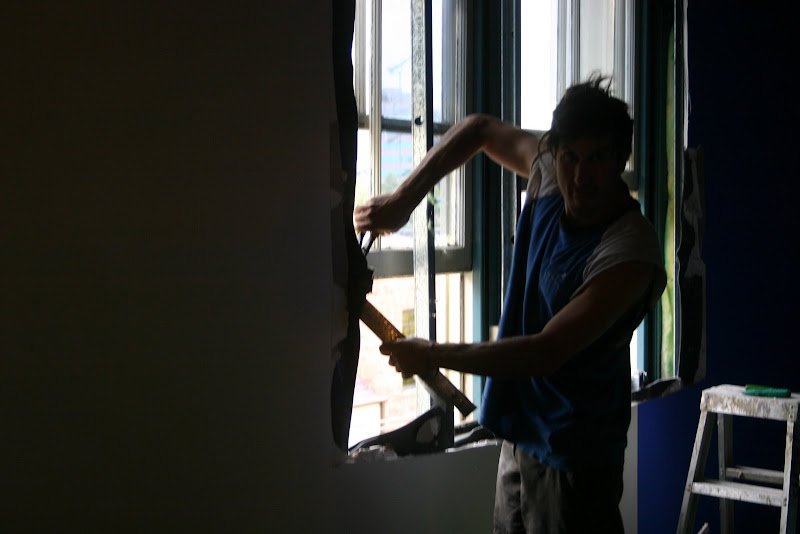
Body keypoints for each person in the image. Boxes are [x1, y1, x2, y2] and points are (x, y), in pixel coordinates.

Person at [353, 77, 666, 534]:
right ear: (555, 152)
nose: (580, 177)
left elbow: (545, 352)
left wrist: (431, 354)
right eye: (570, 157)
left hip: (576, 457)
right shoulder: (550, 176)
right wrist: (404, 200)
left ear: (621, 159)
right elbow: (480, 129)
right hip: (521, 437)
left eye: (597, 158)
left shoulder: (629, 249)